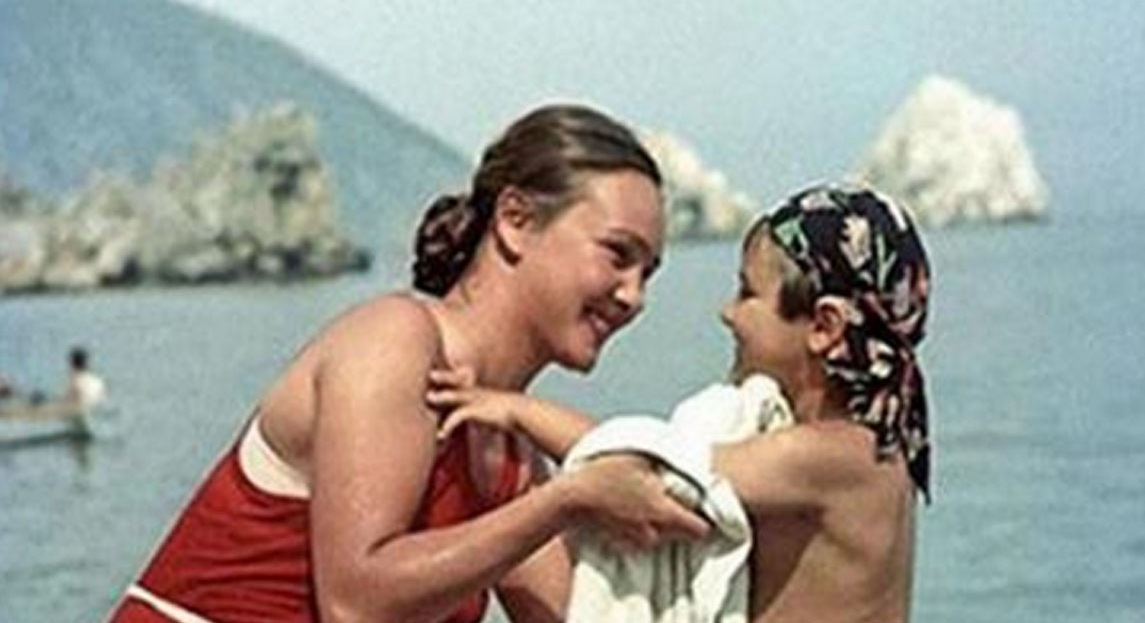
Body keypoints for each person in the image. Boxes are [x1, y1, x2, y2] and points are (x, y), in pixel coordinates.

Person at [108, 104, 708, 623]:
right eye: (617, 255)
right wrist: (568, 501)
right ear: (516, 221)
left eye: (648, 273)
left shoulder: (510, 458)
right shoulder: (393, 342)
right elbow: (357, 605)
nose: (634, 296)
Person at [430, 183, 932, 622]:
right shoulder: (870, 452)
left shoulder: (836, 457)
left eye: (747, 293)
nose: (728, 313)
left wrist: (514, 409)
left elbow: (648, 466)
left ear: (824, 327)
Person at [66, 346, 107, 413]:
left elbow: (68, 403)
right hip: (97, 408)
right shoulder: (98, 381)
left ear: (72, 364)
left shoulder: (75, 383)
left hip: (80, 410)